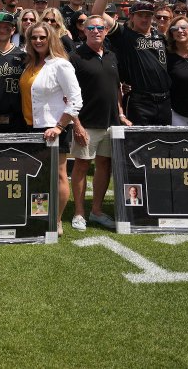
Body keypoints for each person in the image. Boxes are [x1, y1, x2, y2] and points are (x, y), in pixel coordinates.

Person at [20, 22, 83, 233]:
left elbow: (75, 100)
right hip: (32, 126)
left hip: (53, 128)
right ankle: (40, 215)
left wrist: (59, 126)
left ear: (51, 39)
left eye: (42, 37)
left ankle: (55, 220)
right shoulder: (30, 64)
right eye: (33, 38)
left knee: (58, 175)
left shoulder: (60, 65)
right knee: (38, 175)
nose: (38, 41)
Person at [69, 14, 127, 231]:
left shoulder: (112, 55)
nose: (96, 31)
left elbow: (116, 89)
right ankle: (79, 213)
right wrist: (76, 124)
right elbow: (68, 95)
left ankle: (96, 211)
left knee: (105, 166)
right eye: (91, 27)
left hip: (111, 122)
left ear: (105, 30)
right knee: (82, 166)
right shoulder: (75, 57)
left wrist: (120, 114)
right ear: (84, 31)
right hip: (86, 122)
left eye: (100, 27)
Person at [93, 0, 171, 126]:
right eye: (140, 15)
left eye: (148, 15)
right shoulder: (125, 35)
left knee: (164, 143)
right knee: (138, 143)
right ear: (132, 17)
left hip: (164, 99)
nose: (144, 19)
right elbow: (97, 13)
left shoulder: (161, 37)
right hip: (140, 101)